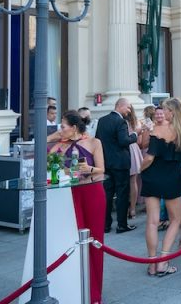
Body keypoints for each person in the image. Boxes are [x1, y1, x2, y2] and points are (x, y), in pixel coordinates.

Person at [47, 110, 106, 303]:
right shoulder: (59, 145)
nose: (60, 129)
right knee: (71, 240)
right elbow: (43, 156)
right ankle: (72, 287)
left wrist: (88, 169)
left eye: (62, 126)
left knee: (94, 241)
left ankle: (94, 292)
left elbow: (101, 169)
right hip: (69, 195)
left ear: (73, 127)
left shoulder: (93, 142)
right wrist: (55, 136)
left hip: (92, 193)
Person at [140, 97, 181, 277]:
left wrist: (141, 169)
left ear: (172, 112)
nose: (162, 113)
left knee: (152, 221)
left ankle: (152, 263)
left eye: (165, 110)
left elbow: (149, 157)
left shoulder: (158, 130)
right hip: (172, 178)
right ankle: (163, 261)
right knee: (175, 220)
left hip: (152, 177)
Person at [96, 97, 138, 234]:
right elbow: (124, 141)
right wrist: (135, 135)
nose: (128, 111)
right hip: (120, 163)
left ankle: (105, 225)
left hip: (107, 162)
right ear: (120, 106)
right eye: (128, 108)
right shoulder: (121, 121)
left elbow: (98, 141)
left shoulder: (102, 120)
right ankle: (121, 225)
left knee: (107, 194)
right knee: (122, 194)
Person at [125, 105, 144, 219]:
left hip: (126, 149)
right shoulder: (136, 122)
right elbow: (140, 141)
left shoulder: (122, 122)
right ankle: (132, 208)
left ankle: (128, 207)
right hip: (134, 148)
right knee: (133, 181)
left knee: (127, 182)